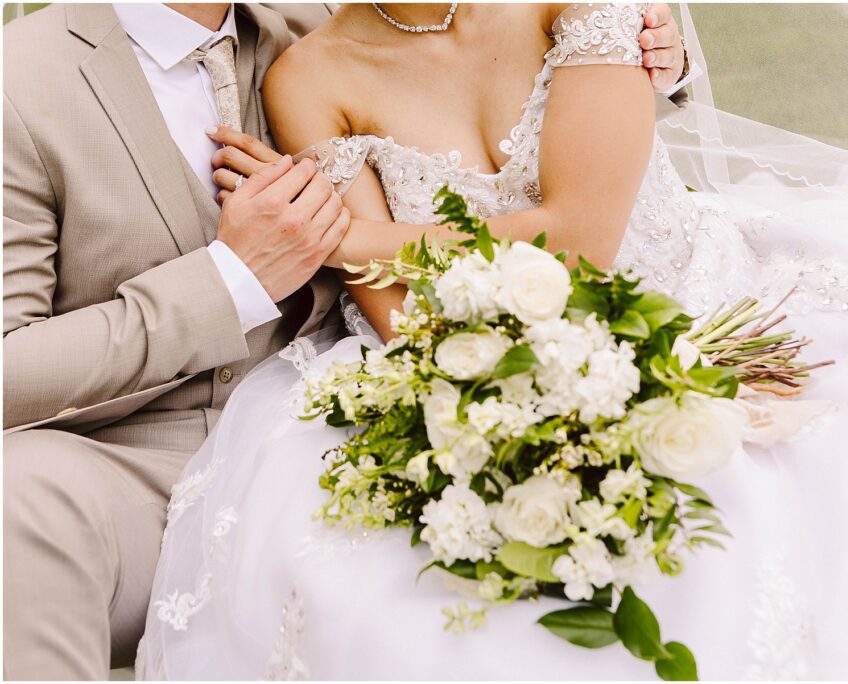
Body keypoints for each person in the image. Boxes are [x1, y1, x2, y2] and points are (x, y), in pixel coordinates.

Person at [140, 2, 848, 679]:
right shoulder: (310, 74)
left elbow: (580, 238)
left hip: (688, 299)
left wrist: (333, 233)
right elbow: (399, 313)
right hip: (468, 353)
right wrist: (492, 396)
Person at [1, 2, 685, 678]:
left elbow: (510, 86)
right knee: (16, 497)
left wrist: (654, 56)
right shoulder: (21, 79)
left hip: (351, 423)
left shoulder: (310, 19)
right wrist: (229, 279)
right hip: (143, 463)